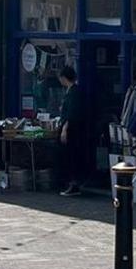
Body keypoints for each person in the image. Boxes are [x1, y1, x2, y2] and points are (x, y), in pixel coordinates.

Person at [55, 66, 92, 197]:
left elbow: (72, 113)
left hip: (73, 132)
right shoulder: (71, 92)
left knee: (71, 157)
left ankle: (73, 184)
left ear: (64, 78)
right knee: (68, 157)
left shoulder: (74, 93)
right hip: (72, 130)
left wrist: (65, 129)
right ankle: (71, 183)